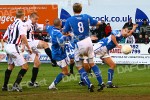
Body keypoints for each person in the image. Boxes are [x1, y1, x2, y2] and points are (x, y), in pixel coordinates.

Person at [63, 3, 104, 92]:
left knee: (79, 66)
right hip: (88, 41)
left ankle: (89, 84)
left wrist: (69, 33)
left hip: (79, 43)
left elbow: (64, 31)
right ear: (81, 9)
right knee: (92, 63)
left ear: (73, 10)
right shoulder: (86, 16)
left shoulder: (70, 19)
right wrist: (101, 22)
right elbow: (97, 23)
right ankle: (101, 82)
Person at [23, 12, 57, 87]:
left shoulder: (34, 25)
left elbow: (44, 28)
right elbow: (22, 35)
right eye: (35, 19)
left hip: (30, 44)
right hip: (28, 43)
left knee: (37, 63)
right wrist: (23, 45)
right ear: (31, 18)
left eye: (37, 19)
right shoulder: (27, 24)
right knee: (45, 44)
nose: (36, 20)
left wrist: (48, 24)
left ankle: (32, 82)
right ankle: (53, 61)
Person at [2, 10, 32, 92]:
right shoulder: (21, 24)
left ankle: (4, 86)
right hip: (14, 47)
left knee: (10, 66)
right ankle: (15, 85)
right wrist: (28, 48)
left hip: (8, 47)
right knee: (25, 67)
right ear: (23, 16)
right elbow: (23, 36)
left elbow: (4, 38)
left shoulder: (10, 25)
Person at [48, 18, 69, 90]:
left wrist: (47, 23)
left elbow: (47, 27)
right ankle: (52, 85)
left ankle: (63, 69)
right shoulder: (58, 34)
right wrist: (67, 36)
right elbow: (61, 42)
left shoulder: (51, 29)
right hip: (59, 54)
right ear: (60, 23)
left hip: (55, 52)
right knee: (65, 72)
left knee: (66, 68)